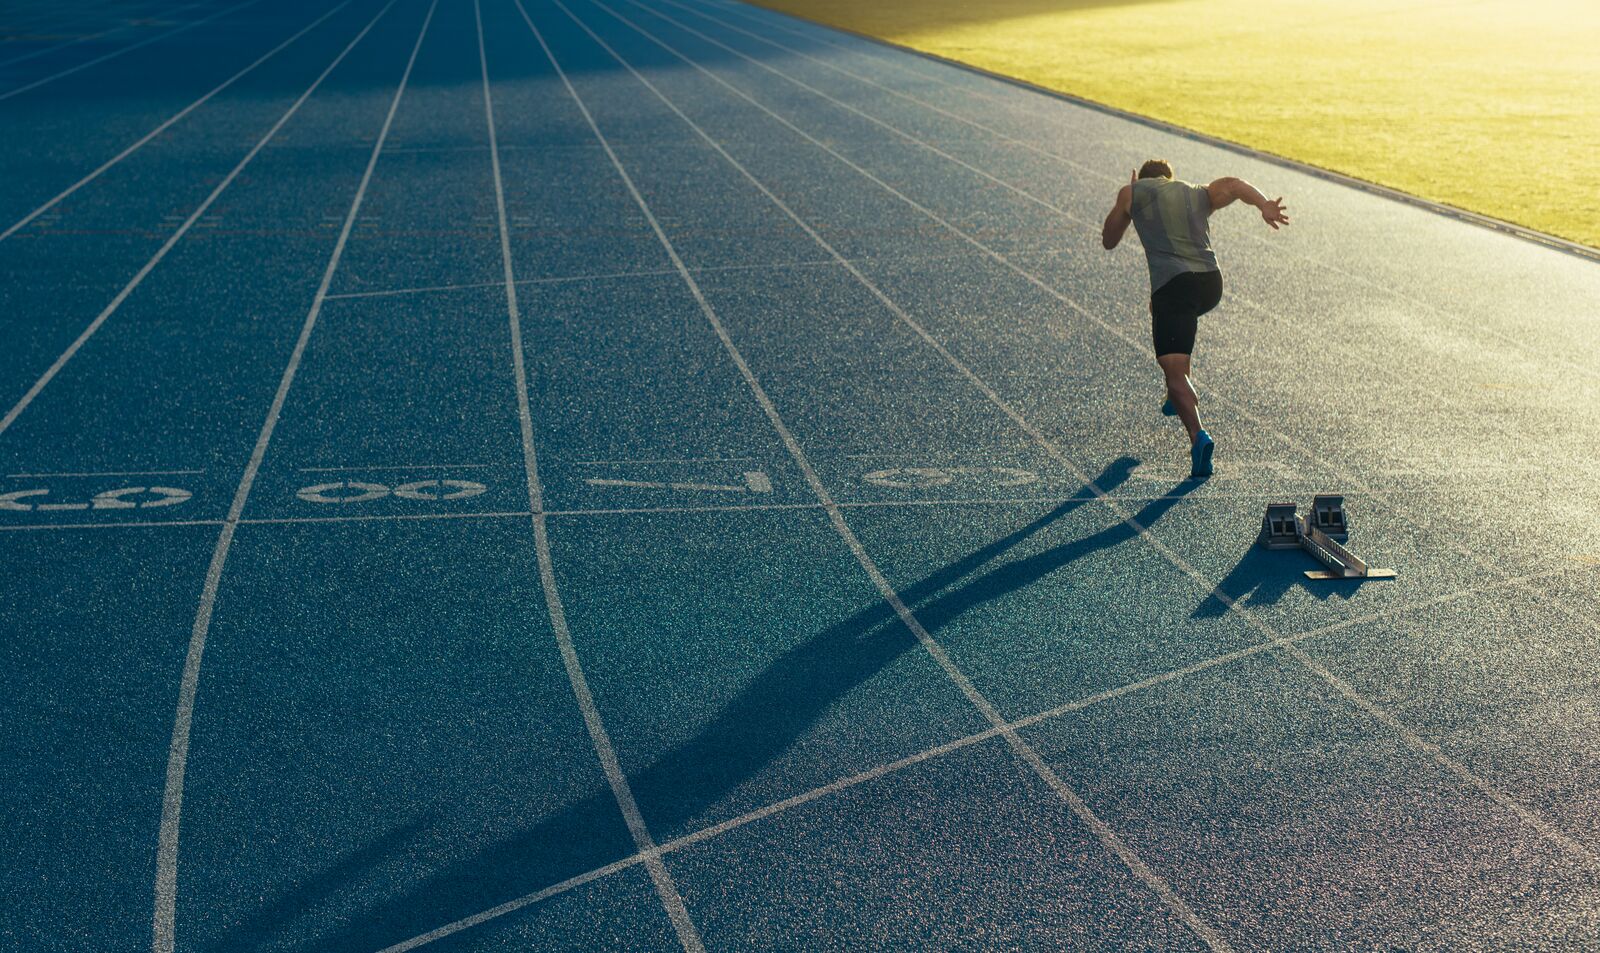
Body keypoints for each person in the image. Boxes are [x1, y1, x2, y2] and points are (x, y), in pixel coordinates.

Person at [1101, 159, 1290, 477]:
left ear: (1143, 179)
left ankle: (1198, 435)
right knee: (1163, 313)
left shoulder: (1133, 192)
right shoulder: (1196, 192)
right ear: (1169, 178)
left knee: (1174, 371)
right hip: (1210, 284)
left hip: (1174, 287)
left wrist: (1129, 199)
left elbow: (1109, 240)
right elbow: (1233, 184)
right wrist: (1264, 204)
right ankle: (1175, 392)